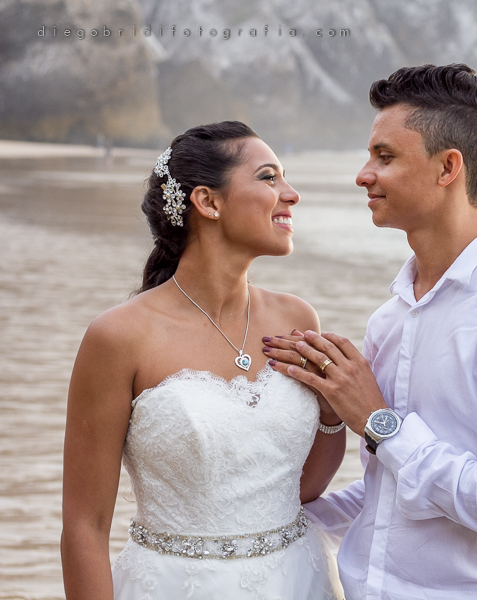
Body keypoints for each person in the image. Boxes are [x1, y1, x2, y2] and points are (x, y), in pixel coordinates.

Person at [264, 64, 477, 599]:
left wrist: (380, 424)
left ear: (448, 167)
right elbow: (388, 493)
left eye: (384, 157)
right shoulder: (389, 319)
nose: (363, 175)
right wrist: (265, 529)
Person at [61, 121, 345, 599]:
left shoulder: (296, 319)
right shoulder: (118, 337)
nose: (291, 194)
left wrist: (333, 413)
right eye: (269, 177)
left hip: (301, 581)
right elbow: (85, 527)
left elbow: (297, 489)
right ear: (208, 202)